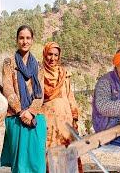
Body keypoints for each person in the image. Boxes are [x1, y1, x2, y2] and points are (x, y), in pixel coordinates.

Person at [0, 25, 47, 173]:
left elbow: (40, 94)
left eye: (28, 38)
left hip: (35, 117)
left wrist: (31, 111)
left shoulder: (39, 66)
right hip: (16, 117)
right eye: (21, 38)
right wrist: (21, 111)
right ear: (17, 40)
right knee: (19, 164)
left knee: (37, 163)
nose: (24, 41)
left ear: (32, 40)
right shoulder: (9, 63)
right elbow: (7, 88)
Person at [41, 42, 83, 172]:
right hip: (48, 124)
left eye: (55, 55)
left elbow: (70, 97)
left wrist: (75, 118)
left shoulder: (64, 75)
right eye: (50, 54)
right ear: (45, 54)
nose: (52, 58)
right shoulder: (38, 74)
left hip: (65, 122)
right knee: (50, 157)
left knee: (68, 155)